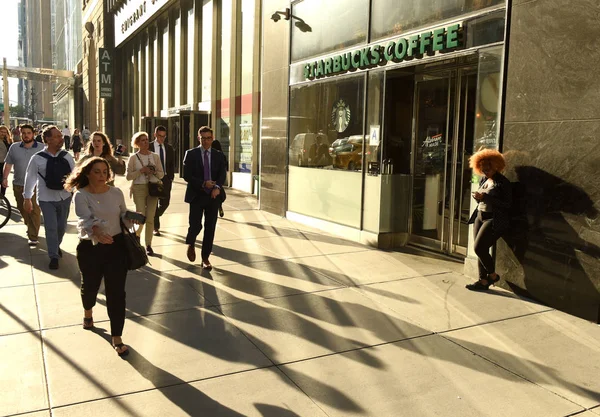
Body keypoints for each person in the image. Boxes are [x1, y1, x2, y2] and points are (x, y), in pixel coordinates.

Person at [65, 157, 137, 357]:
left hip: (116, 247)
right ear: (87, 173)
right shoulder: (81, 195)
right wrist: (96, 231)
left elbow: (122, 215)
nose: (102, 175)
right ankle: (88, 311)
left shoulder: (115, 192)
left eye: (105, 171)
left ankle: (117, 336)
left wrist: (130, 217)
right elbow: (84, 220)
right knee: (90, 286)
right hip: (91, 249)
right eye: (97, 171)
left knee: (116, 293)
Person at [23, 126, 75, 269]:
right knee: (51, 227)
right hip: (46, 199)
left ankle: (55, 245)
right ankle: (53, 256)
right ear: (48, 139)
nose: (61, 139)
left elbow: (75, 175)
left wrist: (76, 192)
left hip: (65, 197)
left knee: (61, 227)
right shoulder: (37, 158)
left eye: (60, 136)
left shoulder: (66, 156)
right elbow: (30, 178)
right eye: (57, 136)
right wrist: (27, 198)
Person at [465, 148, 512, 291]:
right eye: (483, 168)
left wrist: (485, 197)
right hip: (480, 216)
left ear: (496, 166)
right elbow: (484, 197)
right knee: (482, 249)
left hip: (494, 218)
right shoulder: (484, 179)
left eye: (488, 168)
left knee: (479, 248)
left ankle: (492, 275)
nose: (485, 171)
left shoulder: (503, 182)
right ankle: (483, 280)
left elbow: (507, 204)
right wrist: (478, 197)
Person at [183, 126, 227, 270]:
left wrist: (217, 187)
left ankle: (205, 258)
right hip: (196, 194)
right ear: (198, 138)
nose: (206, 141)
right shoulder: (191, 154)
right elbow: (187, 175)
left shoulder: (219, 155)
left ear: (212, 138)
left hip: (213, 197)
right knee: (195, 225)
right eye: (203, 138)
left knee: (210, 227)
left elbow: (222, 175)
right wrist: (203, 183)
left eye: (209, 138)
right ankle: (191, 242)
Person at [2, 125, 42, 246]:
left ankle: (33, 236)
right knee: (23, 209)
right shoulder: (14, 147)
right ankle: (30, 226)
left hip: (36, 185)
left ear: (33, 134)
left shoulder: (41, 147)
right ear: (20, 134)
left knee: (34, 210)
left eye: (28, 133)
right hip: (18, 184)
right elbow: (8, 164)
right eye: (23, 133)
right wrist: (4, 178)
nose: (26, 135)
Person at [126, 131, 164, 256]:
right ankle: (136, 238)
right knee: (141, 216)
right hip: (139, 188)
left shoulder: (155, 156)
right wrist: (141, 171)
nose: (145, 142)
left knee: (151, 217)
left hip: (153, 188)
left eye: (147, 140)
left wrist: (153, 172)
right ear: (137, 143)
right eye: (142, 140)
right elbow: (128, 176)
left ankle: (148, 244)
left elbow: (161, 174)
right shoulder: (133, 158)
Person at [150, 125, 174, 236]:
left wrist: (170, 177)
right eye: (159, 136)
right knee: (154, 203)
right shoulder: (149, 147)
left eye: (164, 137)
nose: (161, 139)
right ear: (155, 135)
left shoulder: (169, 148)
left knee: (165, 203)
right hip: (152, 178)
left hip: (165, 178)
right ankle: (156, 227)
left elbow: (171, 164)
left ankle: (153, 216)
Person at [210, 138, 226, 218]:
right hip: (218, 180)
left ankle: (216, 207)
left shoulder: (217, 155)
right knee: (217, 194)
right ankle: (219, 206)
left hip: (212, 179)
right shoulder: (222, 155)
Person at [0, 125, 13, 195]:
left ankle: (2, 195)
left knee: (4, 180)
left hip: (5, 163)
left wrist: (9, 141)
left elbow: (11, 149)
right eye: (1, 132)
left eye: (5, 132)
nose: (3, 134)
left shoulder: (7, 140)